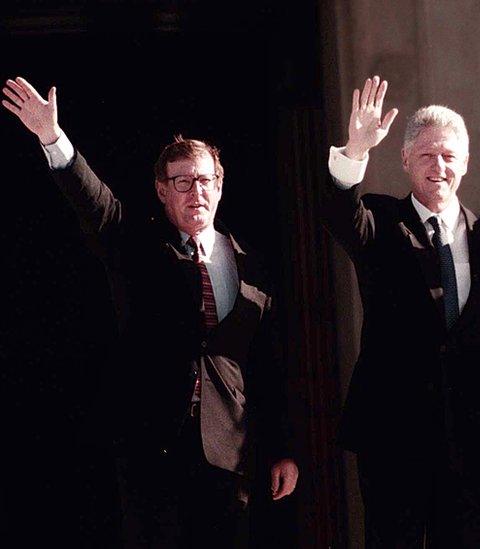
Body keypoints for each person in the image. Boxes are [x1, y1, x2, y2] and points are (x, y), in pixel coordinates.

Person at [2, 76, 298, 547]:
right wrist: (52, 138)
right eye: (182, 182)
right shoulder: (139, 247)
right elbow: (96, 206)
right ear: (162, 191)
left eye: (204, 180)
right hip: (150, 448)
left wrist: (283, 449)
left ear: (220, 187)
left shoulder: (250, 264)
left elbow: (267, 361)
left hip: (229, 452)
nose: (194, 191)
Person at [323, 76, 480, 547]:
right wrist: (355, 151)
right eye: (425, 155)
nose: (438, 166)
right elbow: (341, 214)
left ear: (465, 163)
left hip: (474, 437)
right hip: (393, 434)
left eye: (448, 156)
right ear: (404, 161)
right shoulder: (380, 222)